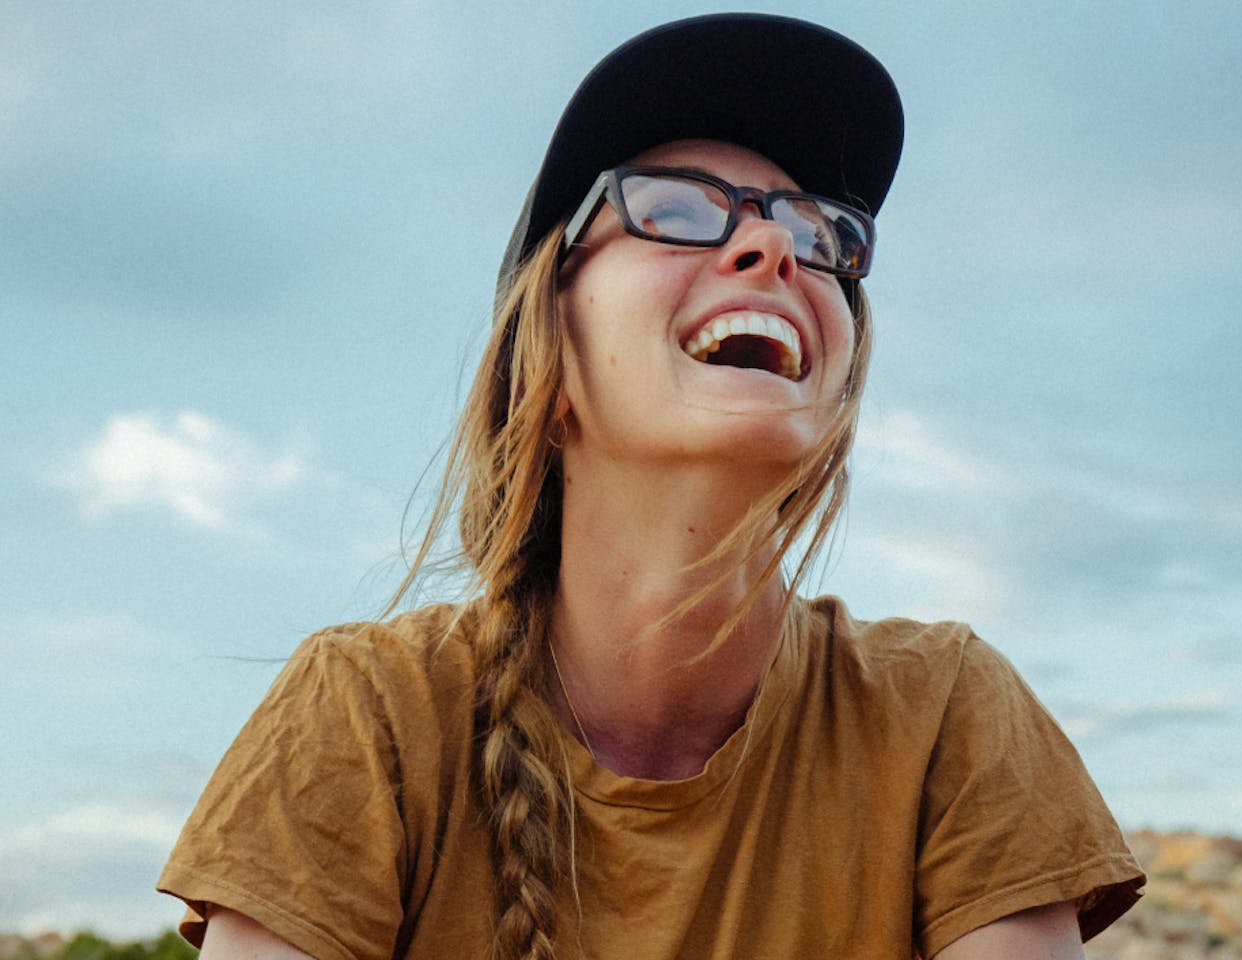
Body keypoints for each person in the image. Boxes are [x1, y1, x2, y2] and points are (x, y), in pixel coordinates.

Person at [158, 14, 1145, 960]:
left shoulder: (943, 715)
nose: (773, 252)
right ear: (548, 362)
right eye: (674, 208)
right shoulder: (368, 717)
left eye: (816, 233)